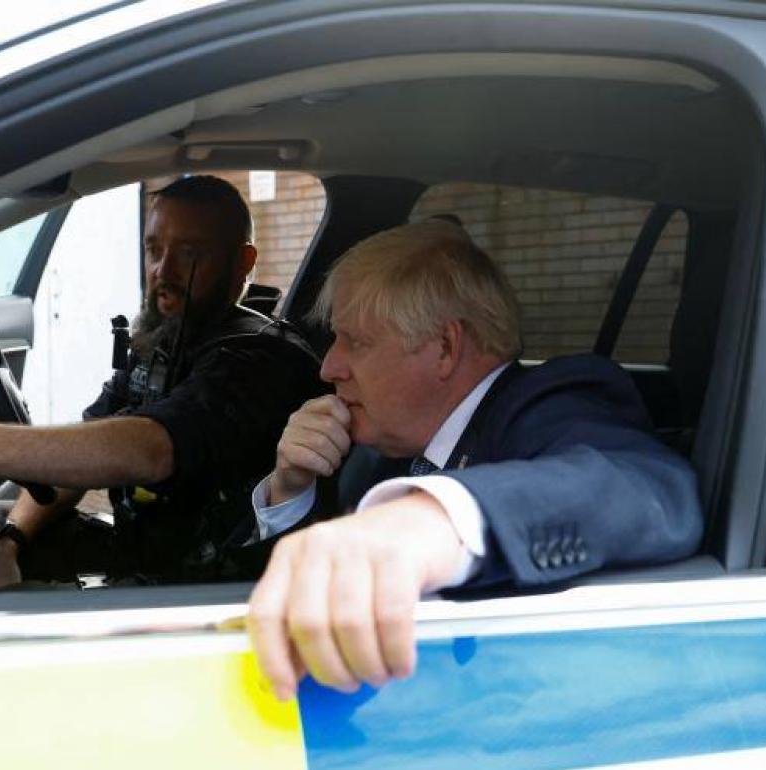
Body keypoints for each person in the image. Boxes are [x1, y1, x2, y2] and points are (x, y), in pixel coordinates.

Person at [244, 220, 703, 700]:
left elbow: (646, 485)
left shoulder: (548, 405)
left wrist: (430, 522)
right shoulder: (378, 454)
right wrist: (291, 490)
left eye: (356, 342)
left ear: (445, 348)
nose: (329, 367)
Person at [0, 175, 325, 589]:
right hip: (142, 555)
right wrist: (7, 545)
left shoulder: (259, 359)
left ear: (243, 263)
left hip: (210, 584)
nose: (164, 271)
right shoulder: (160, 343)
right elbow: (92, 442)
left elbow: (151, 449)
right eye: (155, 250)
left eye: (191, 253)